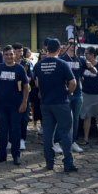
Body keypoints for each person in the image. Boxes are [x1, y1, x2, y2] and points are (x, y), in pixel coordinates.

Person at [35, 39, 78, 172]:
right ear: (59, 49)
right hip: (60, 102)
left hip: (46, 103)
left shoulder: (39, 64)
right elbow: (73, 83)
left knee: (48, 133)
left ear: (47, 48)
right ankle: (68, 163)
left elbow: (36, 83)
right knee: (65, 133)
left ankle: (49, 162)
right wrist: (69, 92)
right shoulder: (62, 63)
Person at [79, 46, 98, 146]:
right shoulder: (84, 65)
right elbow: (81, 77)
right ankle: (86, 138)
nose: (85, 55)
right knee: (87, 116)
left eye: (86, 53)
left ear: (92, 55)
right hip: (86, 94)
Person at [12, 43, 32, 150]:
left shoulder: (27, 63)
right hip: (12, 93)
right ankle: (11, 140)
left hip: (24, 92)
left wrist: (24, 79)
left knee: (24, 118)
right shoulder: (9, 63)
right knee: (12, 118)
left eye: (21, 51)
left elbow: (30, 78)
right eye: (18, 51)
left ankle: (22, 140)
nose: (20, 53)